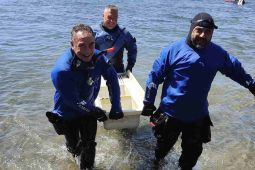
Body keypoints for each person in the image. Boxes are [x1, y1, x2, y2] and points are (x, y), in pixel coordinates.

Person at [141, 12, 255, 169]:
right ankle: (156, 164)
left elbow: (235, 69)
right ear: (191, 28)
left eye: (208, 32)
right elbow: (154, 77)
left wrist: (251, 84)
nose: (203, 35)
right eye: (199, 30)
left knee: (191, 157)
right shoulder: (173, 50)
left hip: (197, 116)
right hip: (170, 113)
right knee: (161, 150)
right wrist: (148, 102)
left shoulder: (218, 54)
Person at [47, 23, 124, 169]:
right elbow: (73, 100)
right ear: (72, 44)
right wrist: (93, 111)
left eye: (91, 44)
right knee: (75, 147)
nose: (88, 51)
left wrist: (116, 106)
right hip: (67, 112)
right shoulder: (61, 71)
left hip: (87, 110)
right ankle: (74, 153)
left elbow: (113, 80)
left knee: (89, 145)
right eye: (82, 45)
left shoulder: (98, 58)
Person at [93, 4, 137, 73]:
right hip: (96, 70)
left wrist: (130, 66)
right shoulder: (93, 32)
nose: (112, 21)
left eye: (114, 18)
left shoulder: (124, 34)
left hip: (117, 71)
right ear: (103, 16)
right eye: (109, 17)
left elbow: (133, 49)